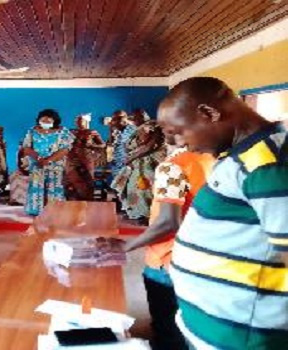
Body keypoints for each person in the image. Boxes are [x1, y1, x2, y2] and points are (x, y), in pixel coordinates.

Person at [159, 77, 288, 349]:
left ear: (208, 113)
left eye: (180, 131)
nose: (183, 145)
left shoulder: (268, 163)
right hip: (217, 328)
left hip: (241, 337)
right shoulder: (240, 156)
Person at [124, 133, 214, 350]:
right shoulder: (217, 160)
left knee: (167, 328)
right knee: (195, 327)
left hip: (167, 258)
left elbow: (168, 223)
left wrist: (124, 246)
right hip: (206, 257)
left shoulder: (173, 166)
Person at [112, 110, 166, 223]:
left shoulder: (152, 125)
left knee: (145, 188)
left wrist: (132, 157)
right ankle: (138, 214)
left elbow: (150, 145)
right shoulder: (138, 129)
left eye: (134, 117)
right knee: (134, 188)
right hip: (138, 163)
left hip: (149, 163)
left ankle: (149, 215)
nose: (132, 120)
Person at [22, 109, 74, 216]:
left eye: (48, 120)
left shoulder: (63, 131)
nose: (45, 122)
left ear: (55, 120)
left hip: (55, 165)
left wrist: (49, 160)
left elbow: (65, 149)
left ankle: (55, 210)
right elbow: (26, 148)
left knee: (54, 186)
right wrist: (39, 158)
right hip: (37, 164)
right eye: (43, 120)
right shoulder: (32, 131)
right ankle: (36, 211)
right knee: (36, 186)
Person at [65, 114, 106, 201]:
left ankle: (87, 204)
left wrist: (91, 145)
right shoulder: (71, 132)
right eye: (76, 121)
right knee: (72, 182)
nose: (78, 122)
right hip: (72, 161)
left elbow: (103, 145)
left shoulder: (92, 132)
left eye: (80, 120)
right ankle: (72, 205)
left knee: (87, 183)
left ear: (86, 121)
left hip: (86, 160)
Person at [108, 110, 135, 178]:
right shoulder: (116, 130)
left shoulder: (133, 129)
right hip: (117, 164)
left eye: (119, 117)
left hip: (129, 164)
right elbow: (111, 145)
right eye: (114, 118)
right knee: (117, 186)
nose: (116, 120)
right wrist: (110, 130)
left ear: (126, 118)